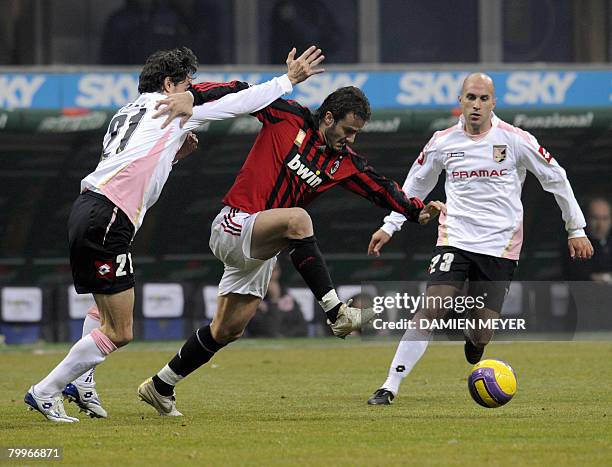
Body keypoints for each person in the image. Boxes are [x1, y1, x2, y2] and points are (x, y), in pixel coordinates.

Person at [24, 45, 324, 422]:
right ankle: (45, 391)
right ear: (170, 85)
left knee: (100, 311)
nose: (192, 90)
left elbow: (132, 160)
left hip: (91, 208)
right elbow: (241, 102)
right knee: (120, 331)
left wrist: (174, 155)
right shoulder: (173, 106)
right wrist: (288, 81)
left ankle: (81, 382)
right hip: (110, 217)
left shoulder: (127, 111)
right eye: (187, 84)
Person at [137, 83, 444, 416]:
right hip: (234, 223)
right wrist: (193, 94)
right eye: (348, 130)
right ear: (328, 117)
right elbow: (241, 91)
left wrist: (415, 211)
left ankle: (160, 385)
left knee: (228, 329)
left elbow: (381, 188)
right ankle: (337, 313)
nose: (351, 139)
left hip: (263, 247)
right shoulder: (288, 116)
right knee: (299, 219)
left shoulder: (343, 162)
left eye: (357, 133)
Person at [366, 72, 594, 405]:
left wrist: (576, 229)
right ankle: (389, 385)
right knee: (431, 308)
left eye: (483, 98)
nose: (476, 105)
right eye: (470, 97)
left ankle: (475, 343)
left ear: (493, 102)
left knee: (481, 330)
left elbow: (555, 177)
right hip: (454, 236)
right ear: (460, 100)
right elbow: (414, 187)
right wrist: (390, 226)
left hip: (500, 245)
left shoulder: (515, 140)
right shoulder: (443, 142)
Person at [247, 263, 308, 337]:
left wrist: (285, 335)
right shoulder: (254, 299)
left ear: (279, 272)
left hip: (289, 341)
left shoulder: (288, 298)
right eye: (267, 269)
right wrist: (274, 300)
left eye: (274, 269)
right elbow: (266, 331)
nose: (271, 273)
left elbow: (302, 327)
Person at [565, 197, 612, 283]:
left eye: (605, 218)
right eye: (595, 218)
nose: (600, 225)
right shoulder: (575, 243)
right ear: (585, 218)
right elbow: (577, 275)